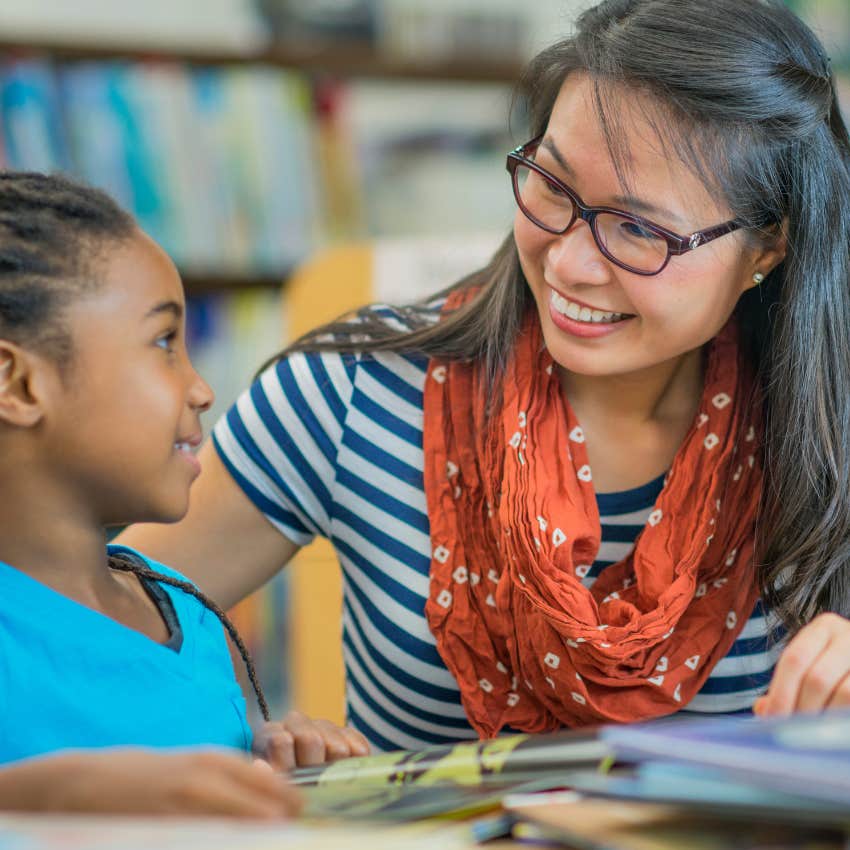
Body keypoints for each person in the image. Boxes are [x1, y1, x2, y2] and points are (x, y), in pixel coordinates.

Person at [120, 0, 850, 751]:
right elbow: (75, 638)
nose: (567, 262)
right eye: (552, 186)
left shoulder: (828, 428)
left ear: (767, 247)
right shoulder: (350, 395)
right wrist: (239, 744)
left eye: (638, 229)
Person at [0, 172, 366, 815]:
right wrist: (46, 799)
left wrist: (285, 777)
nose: (201, 389)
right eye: (164, 342)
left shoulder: (188, 612)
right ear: (19, 385)